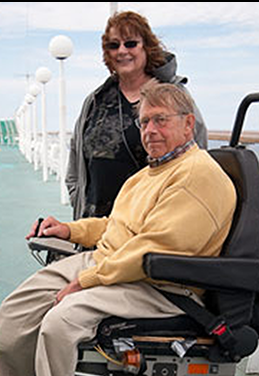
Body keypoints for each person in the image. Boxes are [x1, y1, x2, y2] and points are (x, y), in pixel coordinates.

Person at [0, 83, 236, 376]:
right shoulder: (150, 173)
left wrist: (86, 281)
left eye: (160, 121)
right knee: (18, 307)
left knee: (60, 323)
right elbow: (117, 226)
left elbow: (154, 249)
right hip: (113, 264)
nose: (149, 131)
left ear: (188, 124)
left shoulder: (198, 175)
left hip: (158, 284)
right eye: (144, 122)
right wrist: (71, 230)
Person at [67, 11, 208, 221]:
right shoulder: (96, 100)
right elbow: (76, 157)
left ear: (147, 47)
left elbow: (197, 155)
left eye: (130, 43)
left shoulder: (172, 96)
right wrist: (78, 198)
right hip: (94, 226)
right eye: (114, 45)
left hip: (149, 226)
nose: (122, 51)